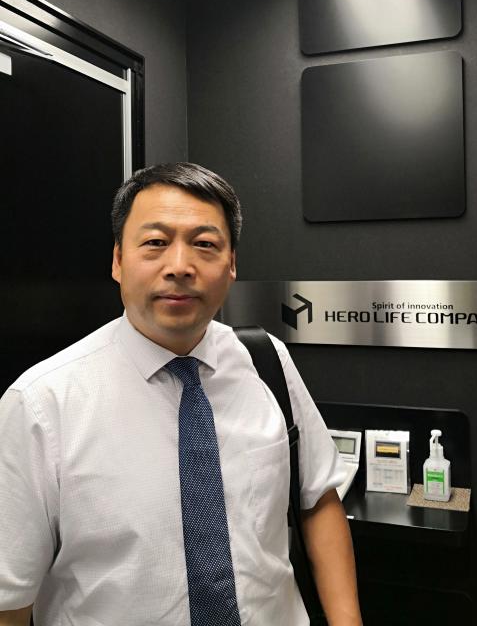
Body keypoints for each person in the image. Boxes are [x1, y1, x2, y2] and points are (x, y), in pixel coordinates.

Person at [0, 162, 362, 626]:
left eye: (205, 244)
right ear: (118, 260)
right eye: (155, 242)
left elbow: (318, 500)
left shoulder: (265, 361)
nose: (179, 267)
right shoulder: (41, 404)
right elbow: (10, 600)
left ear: (231, 264)